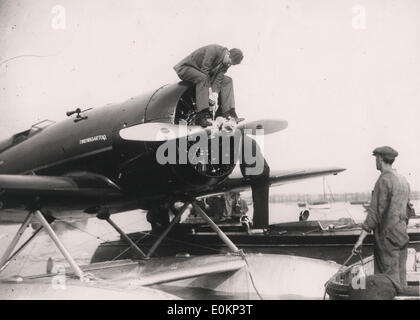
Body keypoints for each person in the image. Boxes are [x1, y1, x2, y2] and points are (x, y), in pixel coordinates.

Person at [353, 146, 411, 293]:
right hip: (402, 236)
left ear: (379, 159)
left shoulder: (384, 180)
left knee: (386, 283)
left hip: (387, 240)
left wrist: (360, 240)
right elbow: (408, 210)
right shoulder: (403, 180)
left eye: (376, 159)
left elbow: (374, 213)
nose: (375, 162)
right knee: (401, 283)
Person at [174, 44, 244, 127]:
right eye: (230, 62)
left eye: (232, 64)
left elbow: (218, 80)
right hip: (186, 69)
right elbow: (205, 70)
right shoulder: (213, 50)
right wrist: (209, 92)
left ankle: (228, 114)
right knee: (203, 77)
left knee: (227, 81)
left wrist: (215, 95)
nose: (229, 65)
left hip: (203, 75)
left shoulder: (226, 63)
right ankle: (201, 116)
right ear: (228, 54)